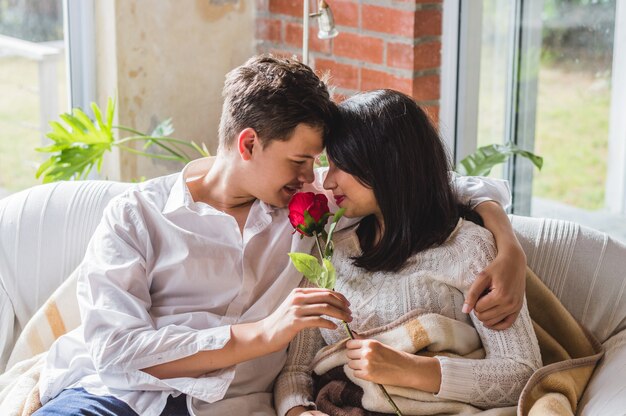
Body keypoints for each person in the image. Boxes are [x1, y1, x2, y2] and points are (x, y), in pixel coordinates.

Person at [34, 57, 525, 416]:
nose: (314, 178)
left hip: (228, 408)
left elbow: (414, 180)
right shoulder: (135, 217)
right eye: (300, 161)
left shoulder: (309, 212)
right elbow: (116, 352)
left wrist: (507, 244)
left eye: (319, 163)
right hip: (109, 398)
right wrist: (262, 335)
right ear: (248, 143)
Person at [275, 89, 542, 416]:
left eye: (340, 165)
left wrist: (412, 370)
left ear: (387, 166)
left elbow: (522, 371)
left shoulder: (470, 249)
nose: (327, 181)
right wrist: (298, 412)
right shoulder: (329, 251)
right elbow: (295, 371)